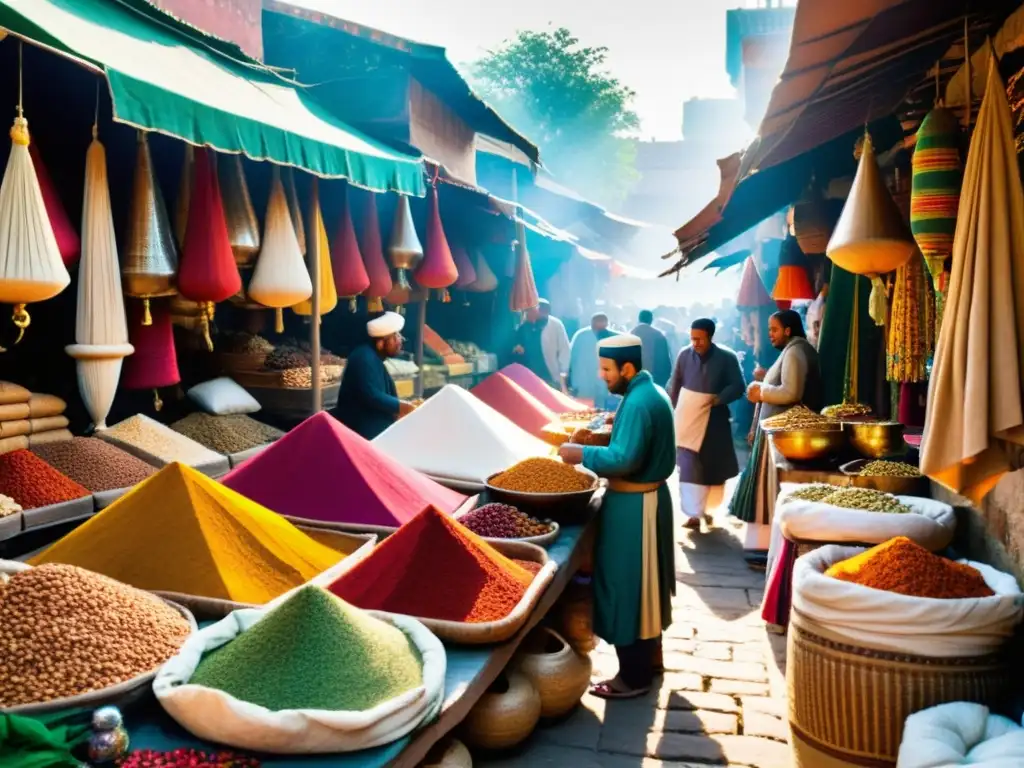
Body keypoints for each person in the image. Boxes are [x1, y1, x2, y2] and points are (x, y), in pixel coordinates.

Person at [559, 335, 675, 699]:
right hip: (646, 502)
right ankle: (650, 662)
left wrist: (579, 453)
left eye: (607, 369)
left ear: (628, 368)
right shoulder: (647, 393)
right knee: (646, 587)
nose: (603, 375)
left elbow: (625, 459)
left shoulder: (640, 402)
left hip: (636, 508)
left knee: (628, 588)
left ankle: (632, 678)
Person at [729, 309, 823, 534]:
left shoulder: (795, 352)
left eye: (774, 329)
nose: (769, 334)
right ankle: (761, 541)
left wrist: (761, 391)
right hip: (776, 433)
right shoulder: (793, 350)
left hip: (783, 435)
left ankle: (764, 543)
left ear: (788, 330)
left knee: (768, 491)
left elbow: (791, 392)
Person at [667, 318, 746, 530]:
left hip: (715, 422)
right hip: (688, 420)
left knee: (713, 468)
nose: (696, 343)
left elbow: (738, 386)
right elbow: (674, 385)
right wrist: (672, 410)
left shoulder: (727, 357)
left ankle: (707, 510)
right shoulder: (684, 355)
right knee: (688, 466)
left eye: (700, 339)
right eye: (692, 339)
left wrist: (718, 399)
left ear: (710, 337)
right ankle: (693, 513)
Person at [333, 312, 415, 439]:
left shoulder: (373, 357)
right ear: (380, 343)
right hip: (361, 434)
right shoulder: (363, 357)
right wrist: (402, 406)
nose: (400, 340)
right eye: (395, 336)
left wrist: (402, 407)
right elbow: (371, 394)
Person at [512, 299, 571, 391]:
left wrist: (563, 371)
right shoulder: (523, 327)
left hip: (551, 376)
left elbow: (564, 349)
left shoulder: (555, 325)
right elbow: (517, 348)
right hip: (530, 377)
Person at [568, 313, 617, 408]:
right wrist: (572, 381)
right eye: (597, 325)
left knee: (602, 409)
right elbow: (571, 358)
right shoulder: (580, 336)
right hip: (583, 381)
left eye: (602, 325)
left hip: (603, 381)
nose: (599, 329)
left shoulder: (613, 336)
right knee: (584, 409)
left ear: (607, 324)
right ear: (591, 324)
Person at [631, 309, 673, 388]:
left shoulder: (630, 334)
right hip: (655, 381)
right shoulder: (658, 335)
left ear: (639, 319)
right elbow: (665, 360)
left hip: (634, 380)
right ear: (651, 320)